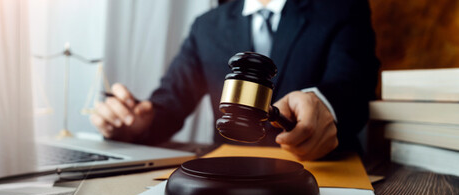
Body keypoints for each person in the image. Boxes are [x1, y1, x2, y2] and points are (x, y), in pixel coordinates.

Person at [91, 0, 379, 160]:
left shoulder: (341, 8)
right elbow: (171, 101)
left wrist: (321, 104)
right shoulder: (206, 25)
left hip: (321, 169)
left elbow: (352, 85)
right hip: (230, 170)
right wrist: (139, 122)